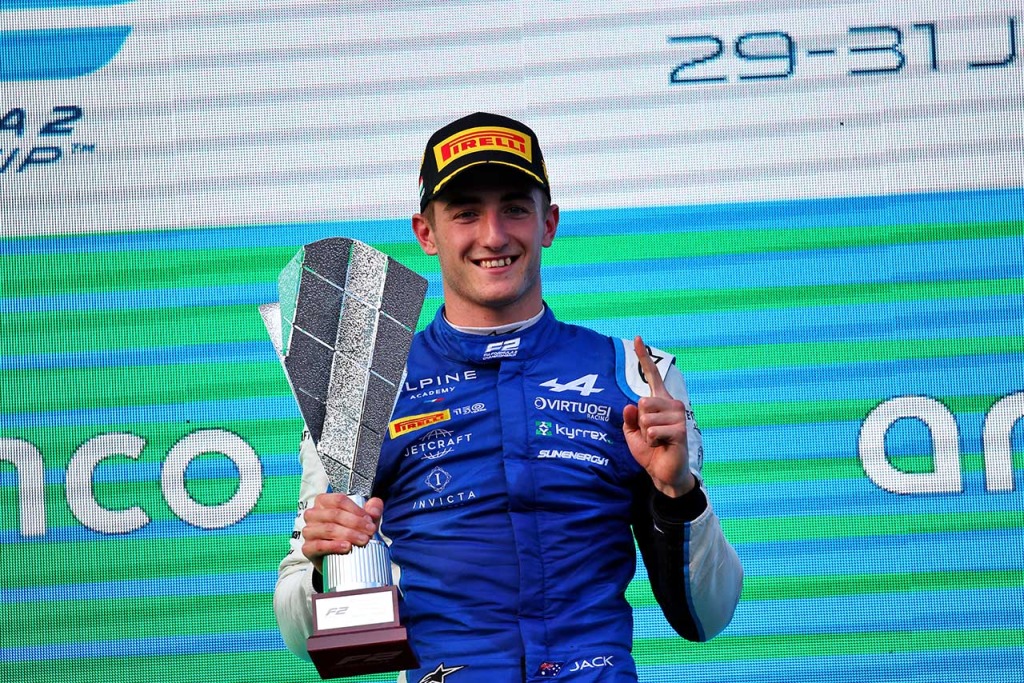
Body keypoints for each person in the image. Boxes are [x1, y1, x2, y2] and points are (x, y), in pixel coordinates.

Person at [274, 112, 743, 682]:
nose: (493, 235)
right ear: (426, 233)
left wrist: (678, 493)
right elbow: (313, 641)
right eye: (466, 212)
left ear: (549, 223)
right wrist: (321, 564)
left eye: (515, 208)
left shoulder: (639, 377)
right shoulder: (363, 385)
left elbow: (708, 616)